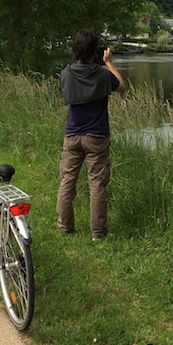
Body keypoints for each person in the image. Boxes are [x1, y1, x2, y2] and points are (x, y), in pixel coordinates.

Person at [57, 29, 126, 240]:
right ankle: (98, 232)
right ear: (95, 52)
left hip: (72, 135)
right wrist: (110, 63)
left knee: (67, 180)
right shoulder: (102, 74)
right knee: (97, 184)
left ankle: (64, 226)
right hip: (97, 136)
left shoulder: (66, 74)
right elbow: (122, 87)